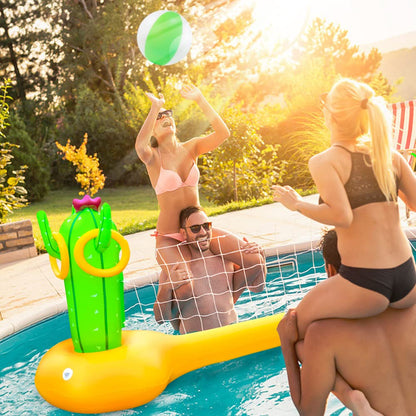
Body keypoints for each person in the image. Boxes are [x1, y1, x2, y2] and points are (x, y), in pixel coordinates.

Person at [272, 77, 416, 340]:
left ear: (331, 114)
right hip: (408, 278)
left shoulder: (324, 161)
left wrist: (297, 205)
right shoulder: (389, 156)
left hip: (366, 282)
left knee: (292, 327)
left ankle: (342, 383)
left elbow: (342, 216)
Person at [135, 84, 264, 290]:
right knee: (187, 285)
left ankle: (229, 301)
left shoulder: (192, 146)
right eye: (158, 118)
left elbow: (223, 133)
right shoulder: (153, 156)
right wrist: (155, 107)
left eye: (167, 114)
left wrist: (200, 98)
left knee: (255, 260)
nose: (164, 117)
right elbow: (140, 146)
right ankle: (167, 293)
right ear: (152, 128)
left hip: (200, 230)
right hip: (170, 236)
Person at [278, 228, 416, 415]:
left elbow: (309, 412)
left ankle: (351, 397)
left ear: (330, 270)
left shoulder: (322, 334)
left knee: (300, 347)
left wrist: (287, 345)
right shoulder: (410, 306)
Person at [153, 206, 266, 334]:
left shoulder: (226, 262)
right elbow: (160, 318)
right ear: (184, 233)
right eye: (195, 228)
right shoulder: (175, 271)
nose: (202, 232)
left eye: (206, 226)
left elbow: (258, 288)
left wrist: (261, 257)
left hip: (232, 335)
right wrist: (167, 287)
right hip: (197, 343)